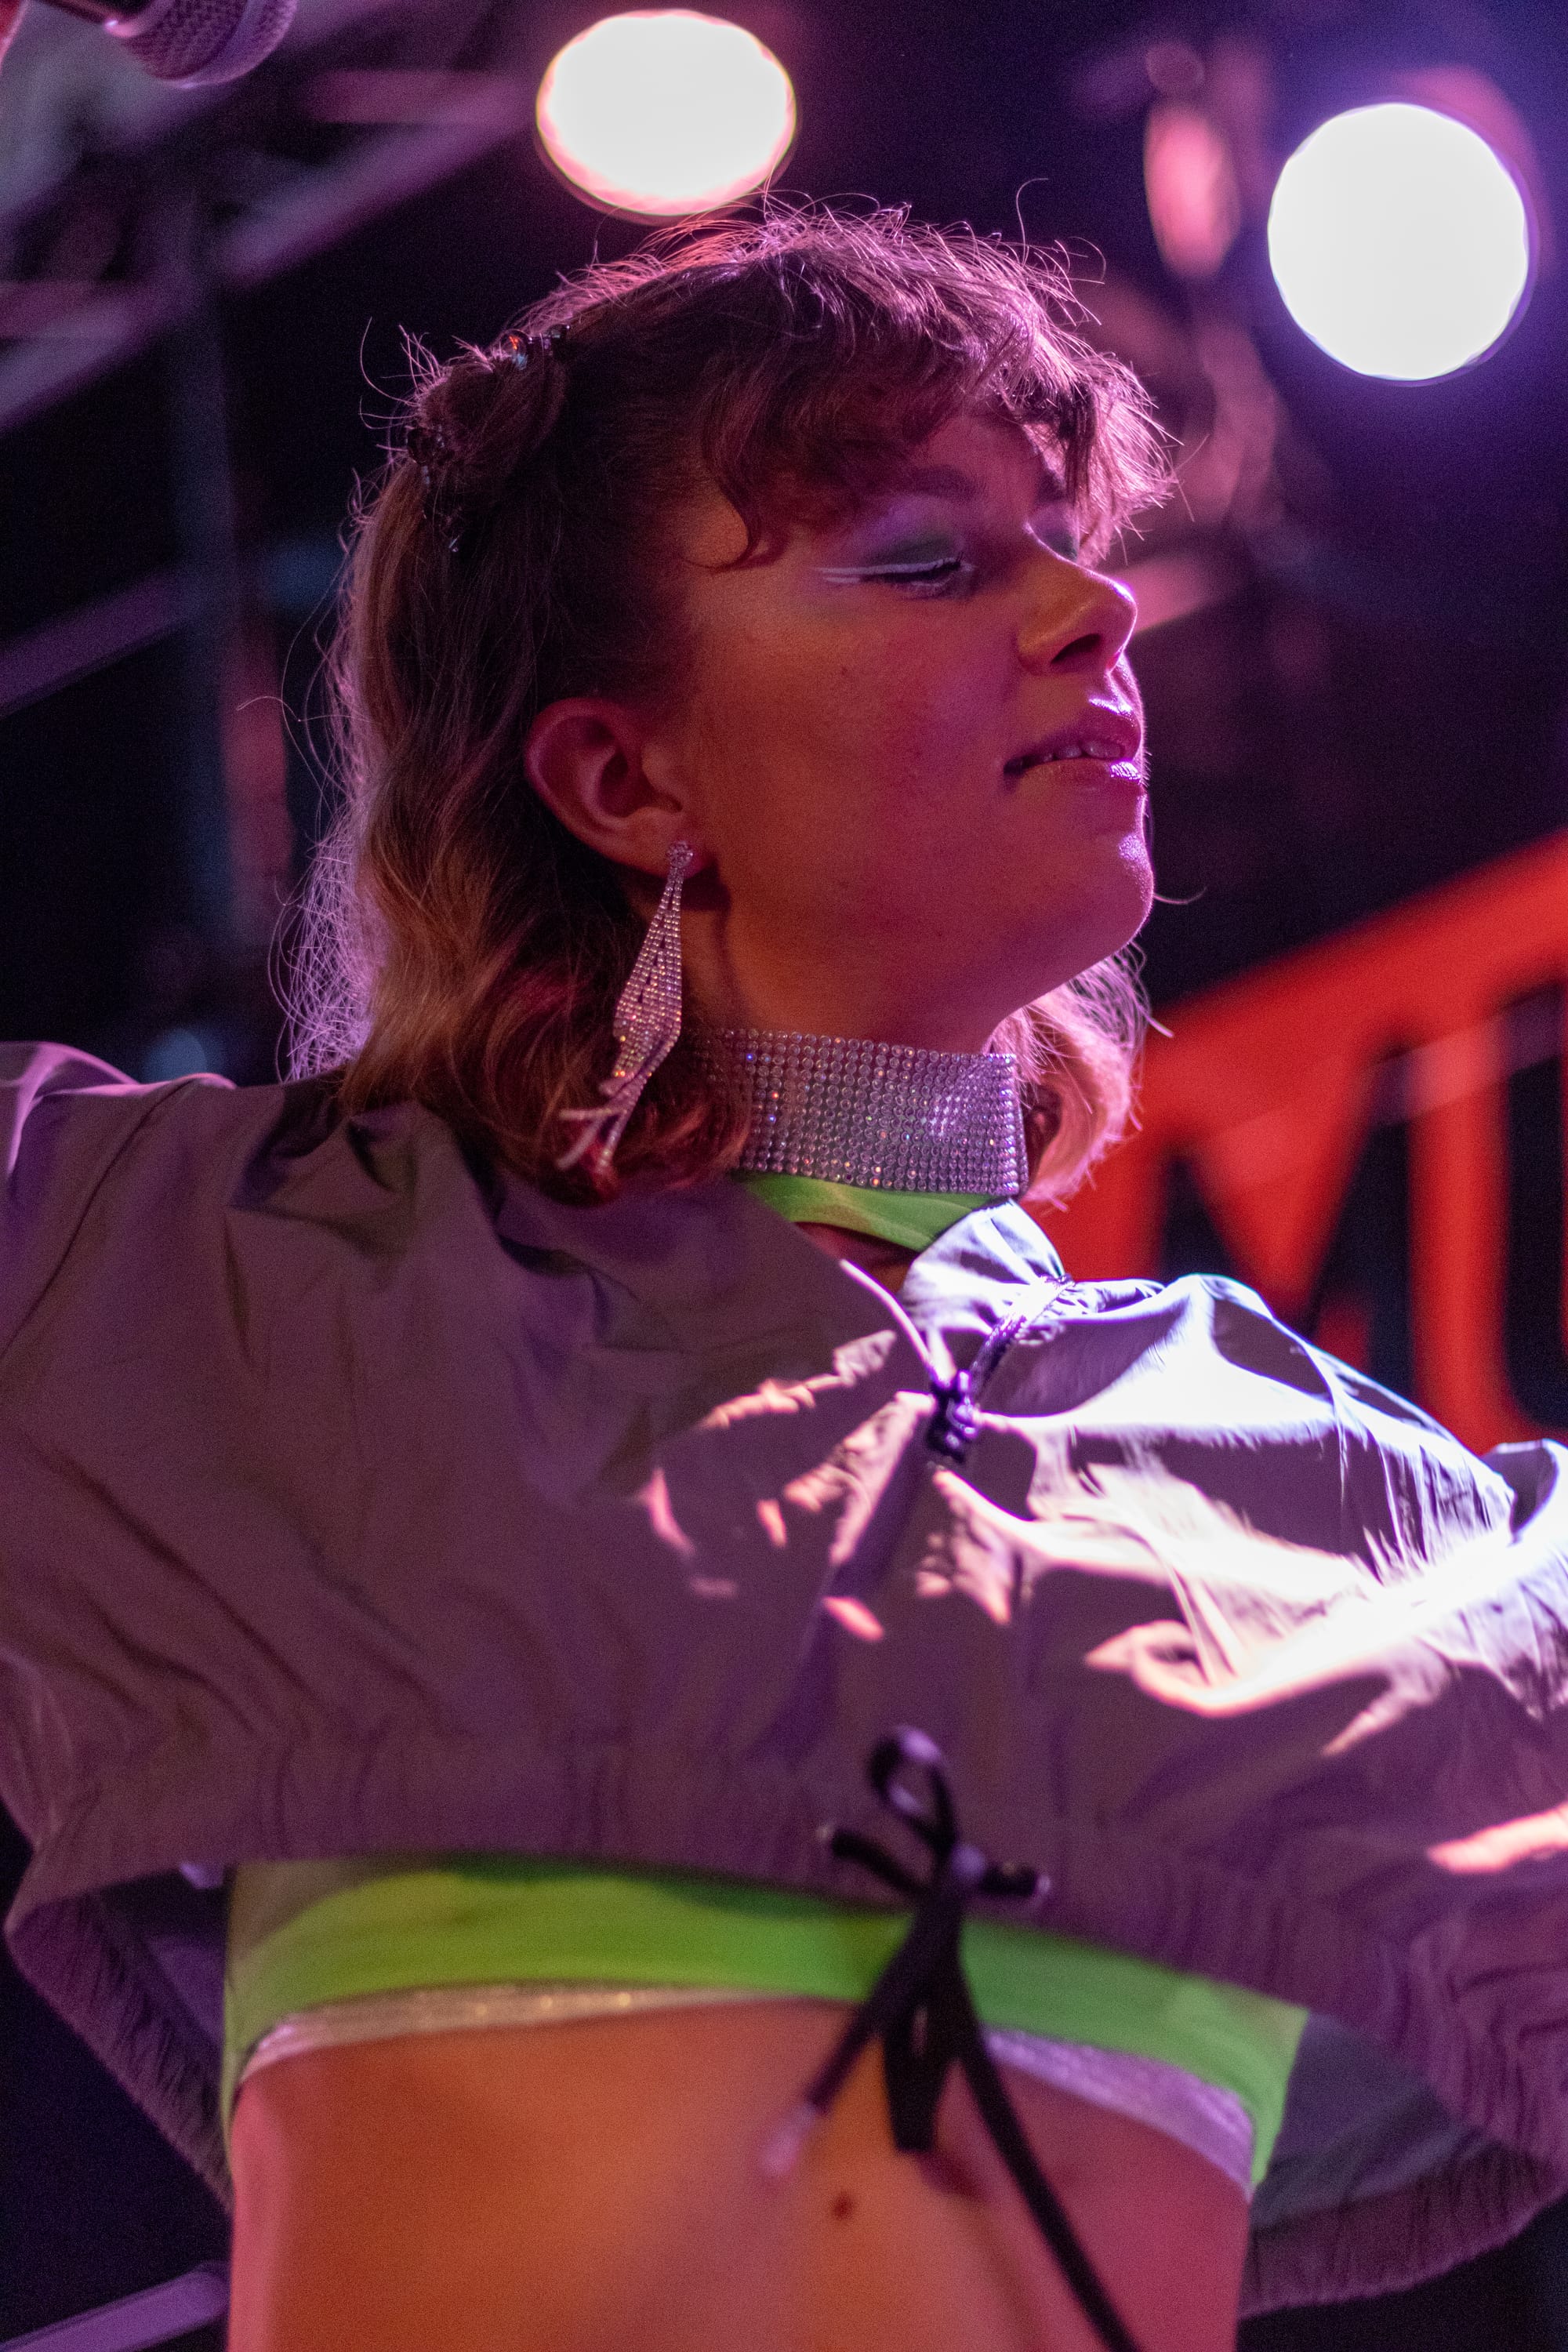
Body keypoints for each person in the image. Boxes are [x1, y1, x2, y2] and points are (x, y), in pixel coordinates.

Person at [5, 205, 1568, 2352]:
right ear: (620, 774)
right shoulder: (224, 1291)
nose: (1097, 606)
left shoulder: (1361, 1512)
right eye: (927, 562)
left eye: (1069, 542)